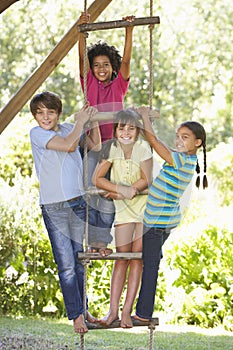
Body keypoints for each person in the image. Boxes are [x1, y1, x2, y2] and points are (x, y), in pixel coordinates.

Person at [29, 91, 101, 334]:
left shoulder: (69, 127)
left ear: (58, 113)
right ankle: (76, 317)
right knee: (67, 265)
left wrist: (93, 122)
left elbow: (96, 146)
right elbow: (70, 146)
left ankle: (83, 309)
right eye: (40, 113)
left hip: (77, 202)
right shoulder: (37, 133)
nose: (46, 117)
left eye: (50, 112)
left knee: (79, 262)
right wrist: (80, 121)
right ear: (35, 116)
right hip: (54, 206)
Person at [133, 106, 208, 322]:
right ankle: (143, 309)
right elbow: (152, 142)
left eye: (185, 137)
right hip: (161, 222)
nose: (178, 141)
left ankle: (143, 314)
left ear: (197, 143)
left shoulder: (183, 160)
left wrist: (145, 118)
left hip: (156, 224)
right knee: (149, 262)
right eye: (177, 136)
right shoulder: (183, 160)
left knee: (150, 268)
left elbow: (155, 143)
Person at [78, 12, 135, 255]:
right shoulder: (88, 82)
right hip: (93, 145)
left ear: (112, 68)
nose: (101, 69)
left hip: (114, 148)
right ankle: (94, 242)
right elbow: (81, 57)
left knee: (110, 195)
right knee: (92, 193)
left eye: (106, 65)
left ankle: (101, 242)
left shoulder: (119, 84)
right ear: (91, 69)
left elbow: (126, 62)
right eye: (96, 65)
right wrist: (81, 32)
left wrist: (128, 32)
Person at [92, 109, 153, 328]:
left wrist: (130, 190)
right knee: (121, 258)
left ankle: (127, 311)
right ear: (116, 130)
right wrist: (119, 190)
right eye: (121, 127)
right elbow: (97, 178)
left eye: (131, 128)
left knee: (137, 258)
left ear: (137, 131)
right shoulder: (112, 148)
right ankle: (112, 312)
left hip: (145, 208)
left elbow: (146, 179)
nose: (126, 132)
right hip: (124, 211)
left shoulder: (143, 148)